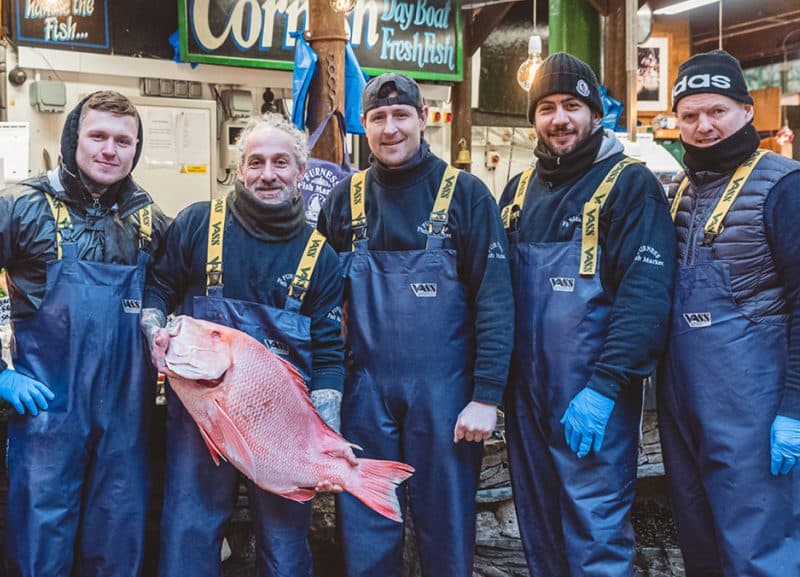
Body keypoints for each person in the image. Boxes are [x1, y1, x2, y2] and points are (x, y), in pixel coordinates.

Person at [0, 90, 169, 577]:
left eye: (123, 140)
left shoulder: (150, 222)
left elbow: (180, 291)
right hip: (47, 415)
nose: (109, 150)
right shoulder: (18, 207)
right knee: (39, 548)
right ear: (73, 139)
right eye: (97, 136)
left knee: (118, 542)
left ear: (136, 149)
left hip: (127, 421)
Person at [318, 73, 514, 577]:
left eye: (401, 115)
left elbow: (495, 300)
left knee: (445, 528)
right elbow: (319, 305)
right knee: (364, 524)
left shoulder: (466, 195)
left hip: (447, 397)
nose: (390, 129)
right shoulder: (344, 201)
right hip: (363, 393)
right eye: (378, 118)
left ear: (423, 119)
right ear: (364, 125)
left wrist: (487, 394)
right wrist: (324, 394)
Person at [142, 113, 345, 577]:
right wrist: (151, 326)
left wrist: (325, 430)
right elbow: (158, 289)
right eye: (255, 162)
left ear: (300, 170)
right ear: (239, 169)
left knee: (285, 541)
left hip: (279, 425)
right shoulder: (197, 224)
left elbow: (329, 352)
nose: (267, 174)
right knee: (189, 531)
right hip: (200, 416)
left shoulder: (321, 257)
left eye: (280, 162)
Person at [497, 53, 675, 576]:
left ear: (596, 114)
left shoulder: (629, 184)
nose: (559, 119)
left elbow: (646, 295)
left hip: (591, 393)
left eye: (572, 105)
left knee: (595, 528)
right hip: (526, 398)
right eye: (547, 107)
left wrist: (604, 388)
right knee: (539, 524)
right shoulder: (517, 192)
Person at [659, 49, 800, 576]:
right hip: (685, 400)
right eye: (690, 115)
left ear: (746, 110)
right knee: (700, 542)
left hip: (756, 406)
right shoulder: (678, 193)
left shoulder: (784, 186)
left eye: (717, 111)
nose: (703, 126)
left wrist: (794, 409)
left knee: (757, 547)